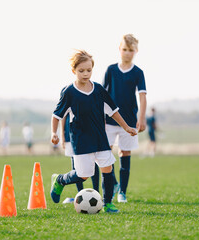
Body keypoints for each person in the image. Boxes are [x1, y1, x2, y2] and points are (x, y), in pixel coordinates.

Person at [50, 50, 137, 213]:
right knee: (83, 174)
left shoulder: (98, 89)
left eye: (89, 70)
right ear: (73, 71)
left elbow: (113, 111)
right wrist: (54, 133)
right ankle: (59, 180)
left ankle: (107, 203)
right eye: (81, 70)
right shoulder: (69, 92)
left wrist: (126, 127)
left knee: (108, 168)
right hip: (81, 139)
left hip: (99, 137)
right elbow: (56, 116)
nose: (85, 73)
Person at [103, 34, 147, 203]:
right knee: (104, 152)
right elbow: (102, 95)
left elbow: (142, 96)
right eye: (124, 49)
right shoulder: (111, 70)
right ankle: (113, 183)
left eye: (131, 50)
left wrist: (141, 118)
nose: (127, 53)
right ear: (119, 50)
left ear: (136, 51)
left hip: (129, 121)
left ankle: (122, 191)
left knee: (124, 152)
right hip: (109, 120)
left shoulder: (138, 73)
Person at [60, 113, 100, 203]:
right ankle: (80, 195)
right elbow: (62, 114)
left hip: (88, 131)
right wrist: (62, 135)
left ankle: (97, 193)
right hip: (71, 133)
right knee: (76, 165)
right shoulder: (67, 98)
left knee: (93, 161)